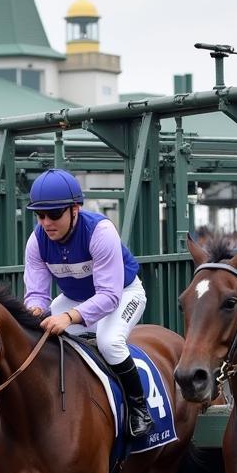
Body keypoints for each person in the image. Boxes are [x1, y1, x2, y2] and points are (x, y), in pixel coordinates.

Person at [23, 168, 152, 438]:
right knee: (37, 339)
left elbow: (108, 296)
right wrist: (34, 309)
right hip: (76, 297)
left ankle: (139, 408)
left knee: (109, 342)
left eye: (55, 214)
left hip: (123, 294)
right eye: (40, 215)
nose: (46, 222)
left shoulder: (101, 231)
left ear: (75, 209)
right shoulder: (36, 241)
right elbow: (36, 293)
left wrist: (69, 317)